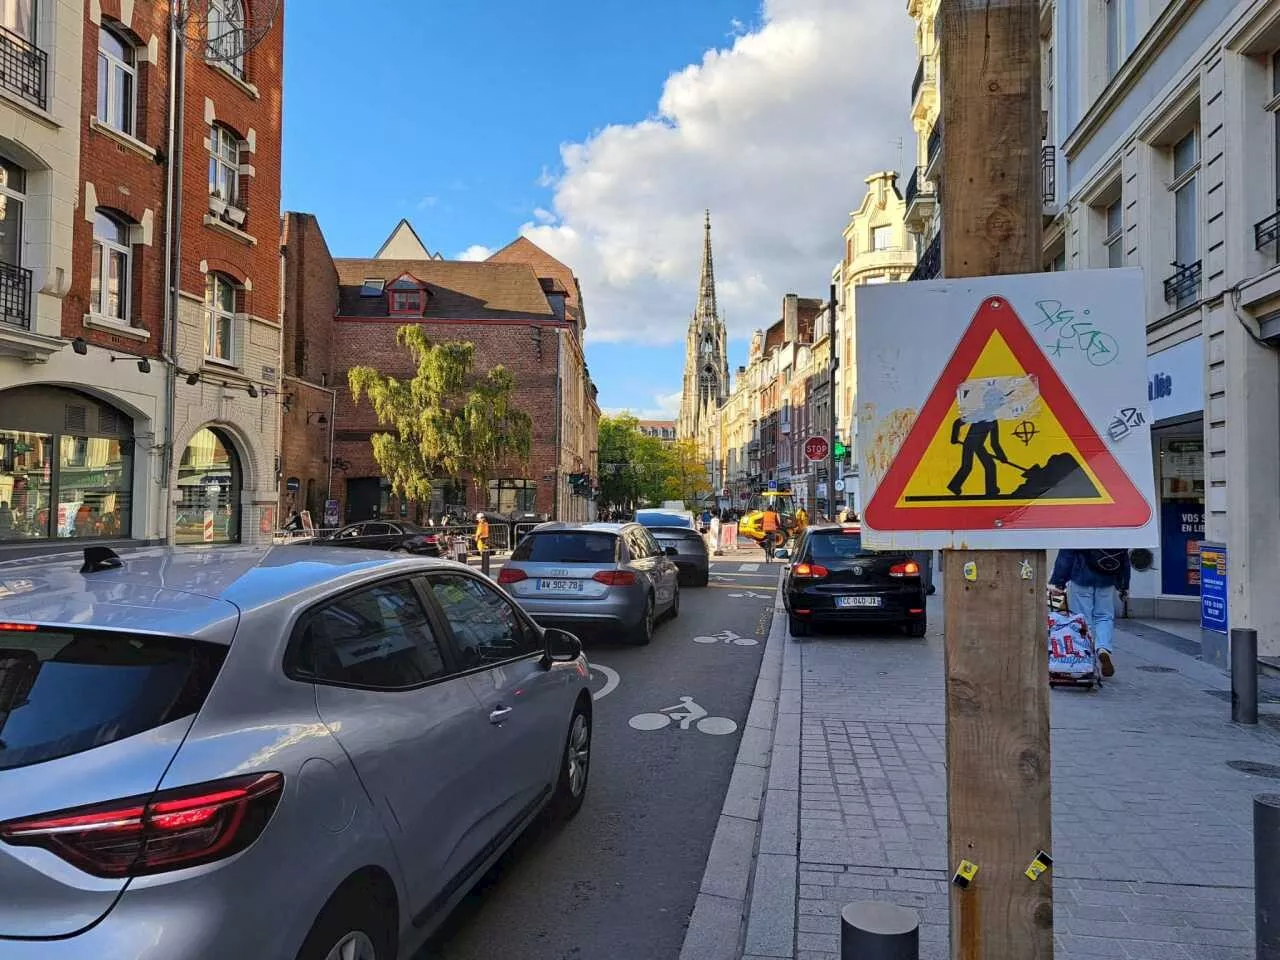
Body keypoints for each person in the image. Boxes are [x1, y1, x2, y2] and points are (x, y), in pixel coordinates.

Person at [1050, 548, 1130, 678]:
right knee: (1104, 617)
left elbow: (1067, 553)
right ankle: (1103, 648)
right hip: (1107, 579)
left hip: (1081, 577)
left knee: (1081, 620)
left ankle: (1086, 660)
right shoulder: (1115, 529)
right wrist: (1124, 585)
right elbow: (1125, 558)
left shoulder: (1081, 528)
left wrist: (1058, 582)